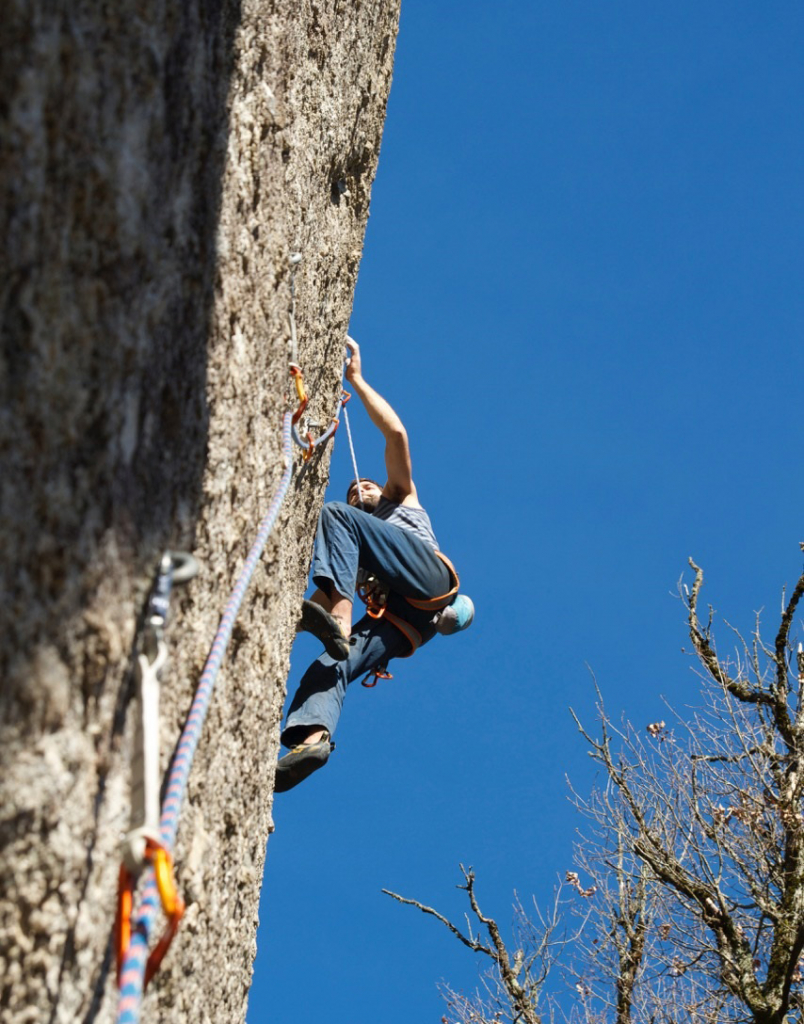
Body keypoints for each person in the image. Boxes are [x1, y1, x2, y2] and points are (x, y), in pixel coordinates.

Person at [275, 338, 473, 792]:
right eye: (354, 489)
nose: (359, 490)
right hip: (407, 622)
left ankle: (341, 624)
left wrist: (357, 382)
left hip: (428, 579)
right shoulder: (352, 551)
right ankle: (312, 741)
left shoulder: (400, 499)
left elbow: (397, 436)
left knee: (336, 519)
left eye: (366, 485)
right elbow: (315, 604)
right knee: (331, 663)